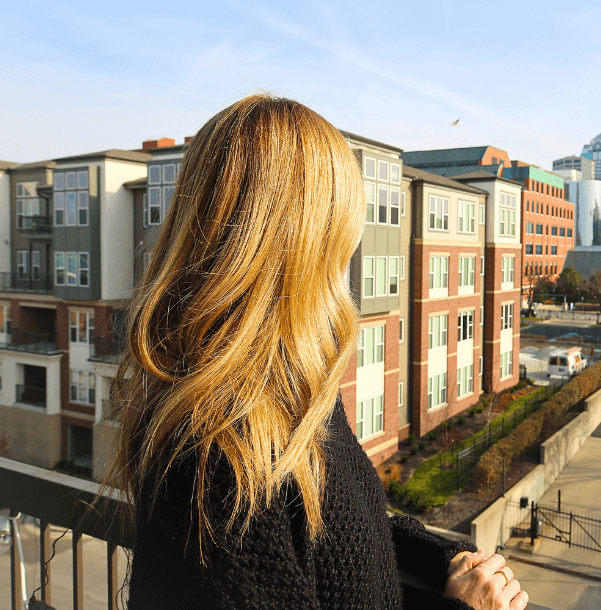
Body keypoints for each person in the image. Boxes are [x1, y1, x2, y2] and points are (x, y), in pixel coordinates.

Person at [106, 94, 529, 610]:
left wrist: (442, 558)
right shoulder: (218, 458)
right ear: (310, 242)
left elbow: (342, 529)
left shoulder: (297, 391)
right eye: (346, 226)